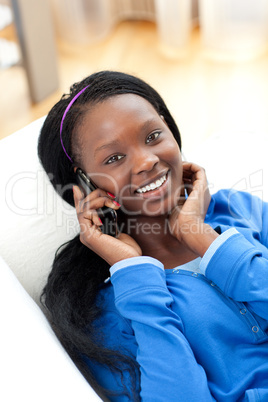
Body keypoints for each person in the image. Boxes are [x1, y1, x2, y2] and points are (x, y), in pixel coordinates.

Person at [38, 71, 268, 402]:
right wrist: (135, 271)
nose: (147, 160)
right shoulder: (104, 307)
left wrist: (199, 235)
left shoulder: (239, 209)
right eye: (114, 158)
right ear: (86, 184)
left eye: (153, 136)